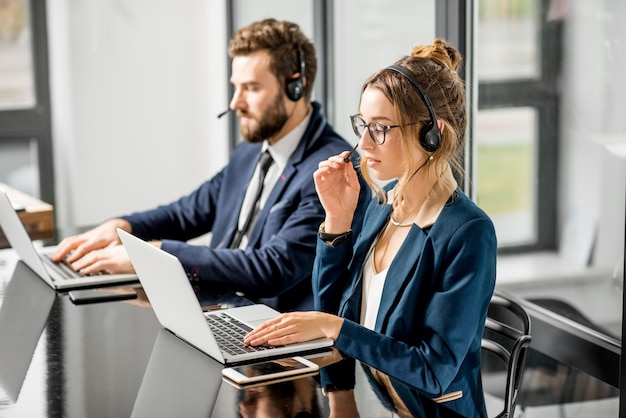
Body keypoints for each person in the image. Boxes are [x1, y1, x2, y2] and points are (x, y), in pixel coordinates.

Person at [244, 38, 497, 417]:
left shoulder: (467, 232)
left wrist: (335, 329)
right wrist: (337, 223)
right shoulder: (381, 207)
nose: (362, 143)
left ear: (434, 133)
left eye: (379, 128)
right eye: (362, 125)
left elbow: (433, 371)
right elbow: (335, 314)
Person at [51, 18, 369, 312]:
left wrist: (156, 255)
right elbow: (186, 213)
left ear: (294, 87)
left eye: (251, 88)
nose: (235, 102)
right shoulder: (250, 153)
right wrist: (122, 228)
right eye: (236, 86)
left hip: (273, 344)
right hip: (213, 309)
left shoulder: (332, 170)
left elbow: (273, 268)